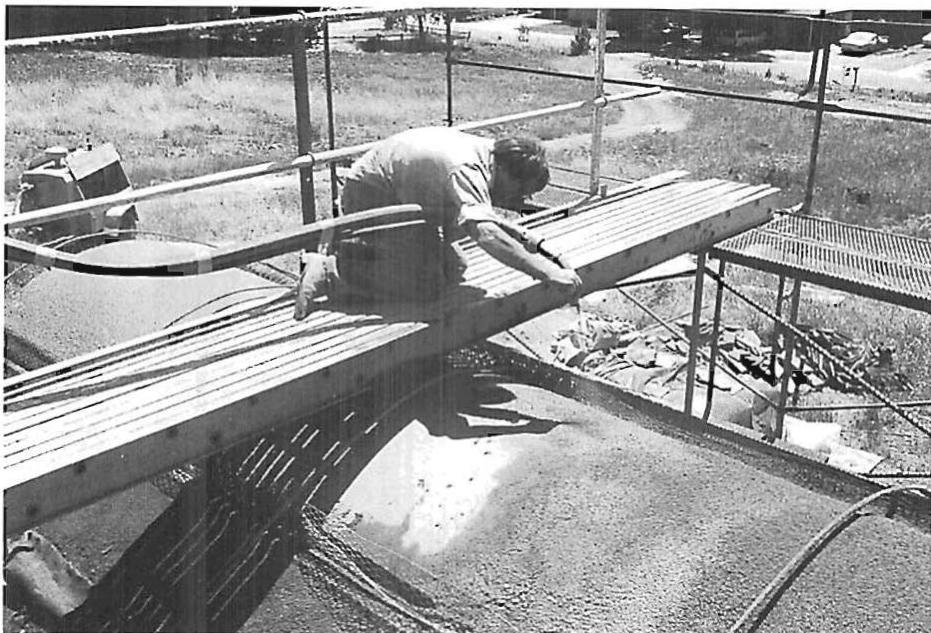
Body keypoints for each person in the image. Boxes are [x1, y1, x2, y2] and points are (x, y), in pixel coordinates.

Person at [294, 126, 582, 319]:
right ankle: (332, 272)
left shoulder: (490, 155)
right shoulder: (467, 168)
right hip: (372, 196)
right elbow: (485, 233)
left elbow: (474, 223)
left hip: (409, 200)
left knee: (454, 268)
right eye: (520, 192)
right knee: (425, 286)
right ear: (509, 172)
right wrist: (546, 272)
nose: (516, 200)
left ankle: (369, 256)